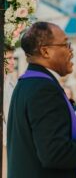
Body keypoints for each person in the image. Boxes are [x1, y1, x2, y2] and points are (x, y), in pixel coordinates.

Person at [7, 22, 76, 178]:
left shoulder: (28, 83)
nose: (71, 50)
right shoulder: (44, 89)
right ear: (45, 51)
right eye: (66, 44)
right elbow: (54, 153)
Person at [3, 46, 16, 178]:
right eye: (9, 58)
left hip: (9, 144)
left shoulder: (11, 84)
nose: (13, 62)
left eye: (13, 58)